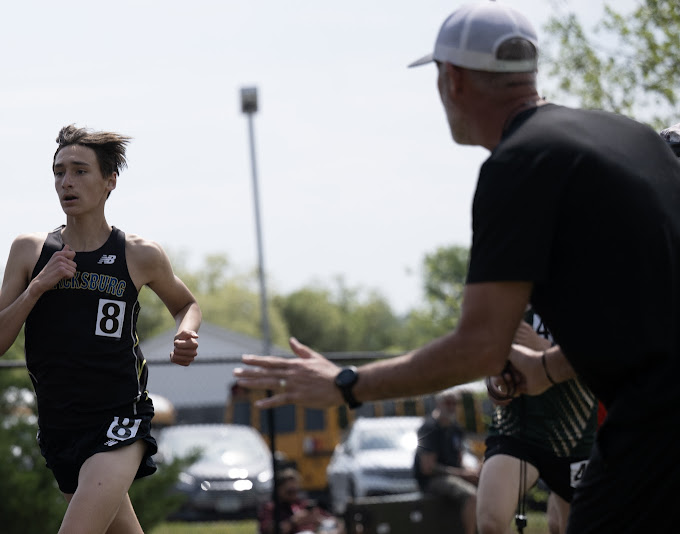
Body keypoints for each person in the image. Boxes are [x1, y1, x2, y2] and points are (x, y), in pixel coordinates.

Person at [234, 3, 680, 532]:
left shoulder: (520, 164)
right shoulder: (628, 135)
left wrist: (347, 383)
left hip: (660, 421)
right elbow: (647, 305)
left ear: (453, 80)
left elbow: (479, 348)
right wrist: (548, 367)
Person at [0, 125, 201, 534]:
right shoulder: (31, 251)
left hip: (120, 419)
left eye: (80, 171)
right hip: (59, 424)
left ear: (109, 181)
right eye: (59, 171)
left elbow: (186, 304)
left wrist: (186, 332)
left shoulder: (139, 254)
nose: (66, 181)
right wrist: (37, 287)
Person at [479, 314, 596, 534]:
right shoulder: (512, 302)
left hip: (573, 440)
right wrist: (498, 386)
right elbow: (493, 369)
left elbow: (607, 359)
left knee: (563, 527)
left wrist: (544, 349)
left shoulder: (587, 300)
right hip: (516, 432)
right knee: (490, 523)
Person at [413, 390, 478, 534]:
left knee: (488, 486)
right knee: (472, 496)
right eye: (448, 402)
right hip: (431, 481)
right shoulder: (429, 428)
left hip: (453, 476)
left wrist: (472, 472)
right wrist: (463, 474)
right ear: (438, 403)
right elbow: (428, 468)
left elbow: (459, 461)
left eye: (455, 403)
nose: (452, 407)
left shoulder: (456, 429)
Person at [258, 468, 340, 534]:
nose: (293, 494)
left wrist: (319, 519)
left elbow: (333, 520)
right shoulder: (270, 508)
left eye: (295, 491)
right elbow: (269, 530)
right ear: (279, 489)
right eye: (289, 492)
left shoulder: (304, 504)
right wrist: (294, 521)